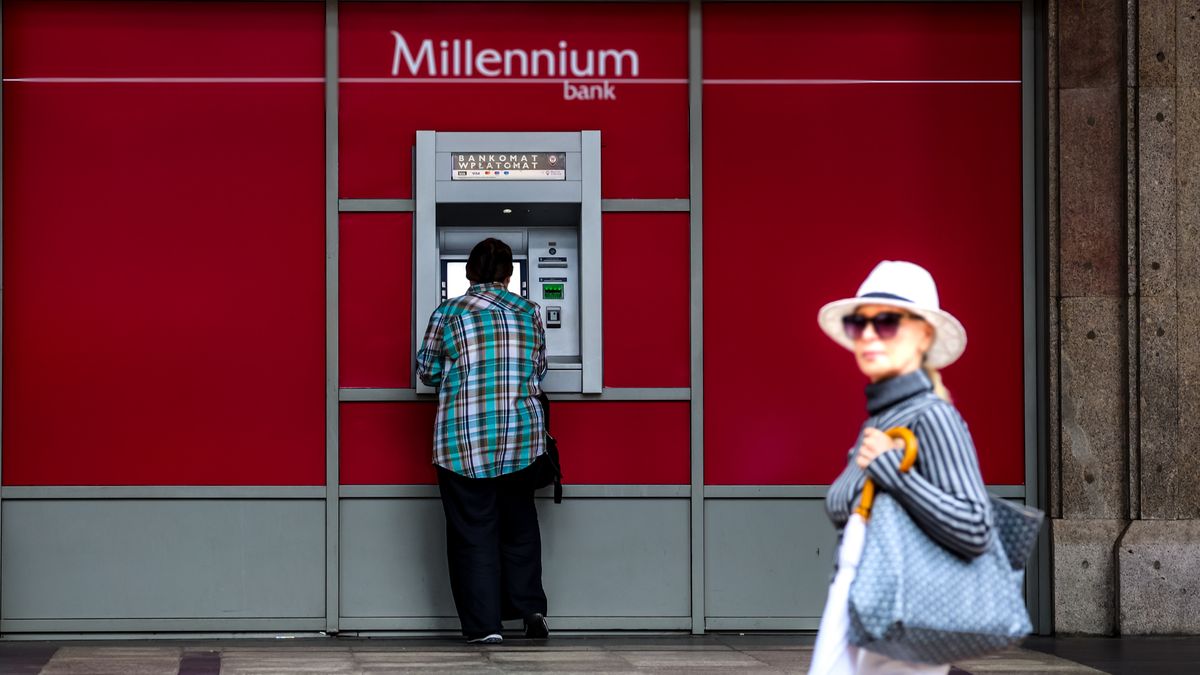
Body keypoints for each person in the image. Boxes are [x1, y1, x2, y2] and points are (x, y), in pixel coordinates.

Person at [809, 260, 992, 675]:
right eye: (860, 324)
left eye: (887, 322)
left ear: (924, 335)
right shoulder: (880, 421)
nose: (870, 335)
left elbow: (976, 527)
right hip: (863, 602)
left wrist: (892, 471)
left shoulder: (932, 417)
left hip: (906, 607)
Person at [416, 237, 551, 644]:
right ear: (510, 274)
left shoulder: (448, 312)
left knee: (472, 533)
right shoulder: (530, 311)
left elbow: (426, 370)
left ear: (468, 272)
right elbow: (539, 369)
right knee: (520, 528)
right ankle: (531, 610)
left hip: (463, 440)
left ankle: (485, 628)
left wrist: (461, 377)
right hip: (520, 438)